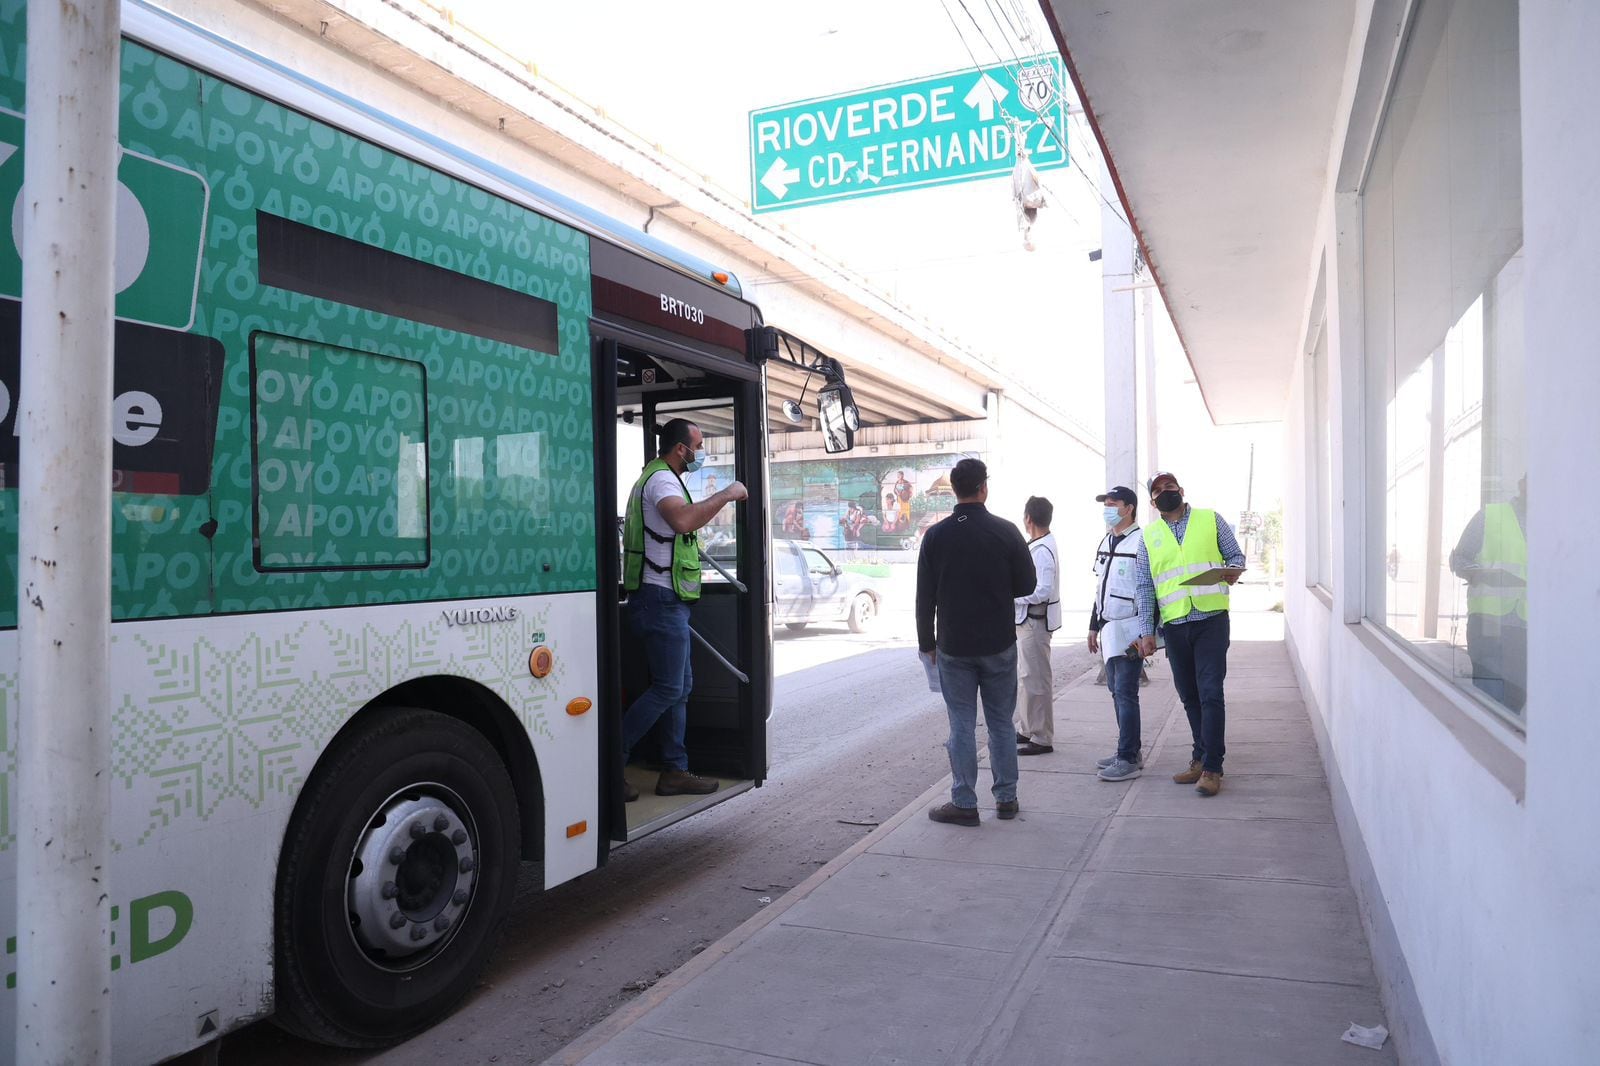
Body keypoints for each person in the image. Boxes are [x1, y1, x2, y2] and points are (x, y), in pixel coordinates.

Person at [620, 418, 748, 801]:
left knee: (680, 688)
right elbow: (682, 520)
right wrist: (726, 494)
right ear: (682, 450)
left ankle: (674, 769)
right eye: (699, 444)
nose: (701, 452)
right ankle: (614, 759)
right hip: (659, 600)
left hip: (666, 599)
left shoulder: (663, 478)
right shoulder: (661, 480)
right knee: (668, 688)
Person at [916, 458, 1036, 826]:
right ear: (984, 488)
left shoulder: (936, 536)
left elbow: (925, 597)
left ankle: (965, 803)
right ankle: (1007, 798)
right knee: (1001, 723)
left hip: (954, 647)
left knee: (961, 725)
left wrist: (927, 643)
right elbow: (1027, 585)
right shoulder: (1006, 531)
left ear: (955, 489)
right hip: (999, 643)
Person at [1134, 472, 1245, 797]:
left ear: (1181, 491)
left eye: (1170, 488)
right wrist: (1146, 632)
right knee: (1190, 695)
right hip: (1176, 624)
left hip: (1211, 620)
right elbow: (1145, 586)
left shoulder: (1211, 520)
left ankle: (1212, 767)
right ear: (1153, 503)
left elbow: (1235, 557)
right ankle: (1200, 757)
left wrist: (1230, 573)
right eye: (1159, 492)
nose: (1166, 494)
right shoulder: (1150, 537)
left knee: (1210, 691)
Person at [1448, 475, 1527, 711]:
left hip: (1525, 630)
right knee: (1489, 703)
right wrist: (1486, 575)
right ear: (1522, 484)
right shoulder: (1490, 516)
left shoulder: (1553, 525)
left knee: (1514, 704)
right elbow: (1458, 560)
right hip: (1488, 625)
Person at [1089, 486, 1144, 781]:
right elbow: (1101, 586)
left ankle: (1128, 758)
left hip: (1131, 629)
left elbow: (1150, 592)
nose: (1108, 508)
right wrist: (1093, 626)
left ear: (1129, 508)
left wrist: (1146, 633)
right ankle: (1129, 749)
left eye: (1113, 503)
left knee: (1125, 692)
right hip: (1109, 628)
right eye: (1105, 503)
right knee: (1116, 691)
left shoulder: (1142, 542)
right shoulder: (1108, 540)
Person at [1013, 496, 1062, 756]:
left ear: (1028, 518)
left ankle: (1042, 737)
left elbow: (1041, 590)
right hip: (1028, 621)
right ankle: (1027, 728)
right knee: (1027, 678)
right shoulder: (1040, 544)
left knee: (1036, 681)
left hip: (1034, 620)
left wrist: (1012, 597)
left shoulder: (1042, 550)